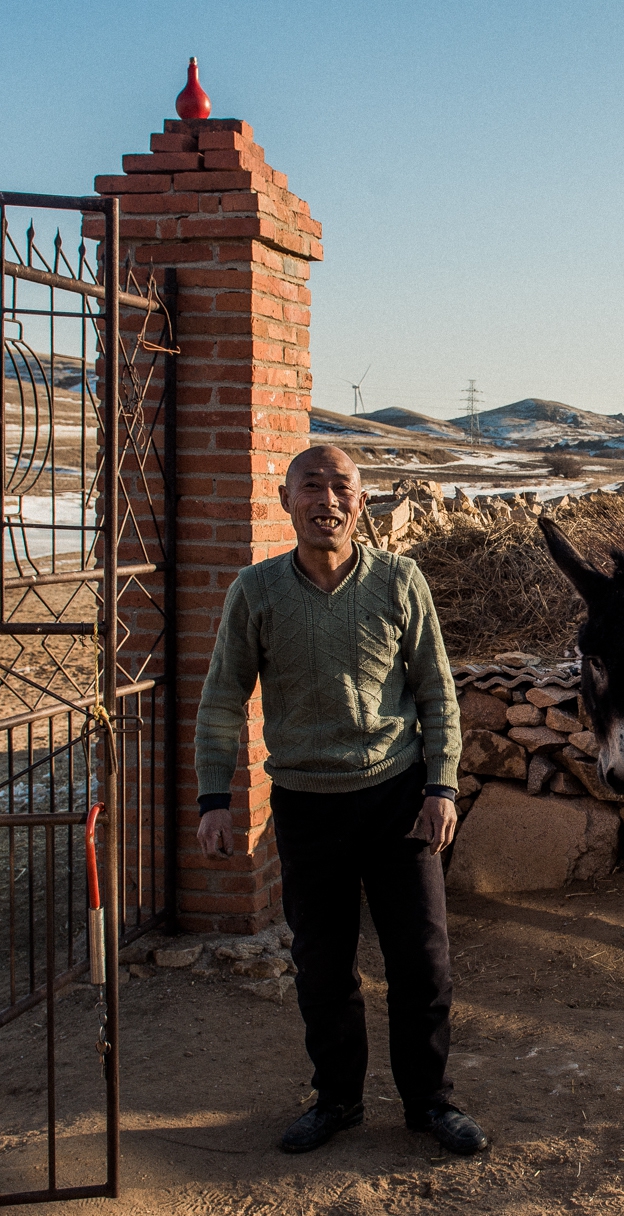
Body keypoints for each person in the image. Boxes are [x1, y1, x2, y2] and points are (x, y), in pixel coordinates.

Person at [194, 444, 488, 1157]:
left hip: (398, 800)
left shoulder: (399, 580)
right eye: (311, 486)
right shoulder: (256, 592)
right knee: (323, 966)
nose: (327, 499)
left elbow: (436, 692)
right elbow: (222, 699)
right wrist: (213, 797)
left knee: (423, 961)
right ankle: (338, 1100)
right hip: (306, 805)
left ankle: (430, 1104)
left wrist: (441, 785)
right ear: (286, 500)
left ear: (362, 502)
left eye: (342, 487)